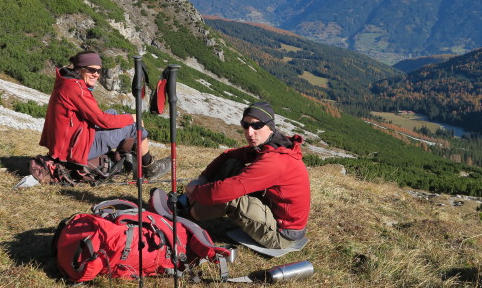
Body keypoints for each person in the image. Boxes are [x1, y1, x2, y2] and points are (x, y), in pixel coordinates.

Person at [183, 101, 310, 249]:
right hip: (273, 211)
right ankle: (194, 202)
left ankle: (188, 216)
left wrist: (195, 191)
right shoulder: (271, 145)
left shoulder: (275, 161)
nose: (250, 132)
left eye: (257, 126)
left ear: (270, 127)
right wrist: (202, 179)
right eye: (245, 125)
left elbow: (225, 191)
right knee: (232, 164)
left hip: (281, 234)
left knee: (229, 196)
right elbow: (228, 155)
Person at [40, 50, 170, 179]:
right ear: (80, 69)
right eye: (91, 70)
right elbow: (102, 120)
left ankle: (125, 159)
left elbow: (98, 117)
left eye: (98, 71)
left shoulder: (68, 82)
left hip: (69, 140)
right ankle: (151, 168)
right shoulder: (76, 89)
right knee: (135, 128)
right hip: (73, 149)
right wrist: (131, 118)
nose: (96, 74)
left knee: (112, 112)